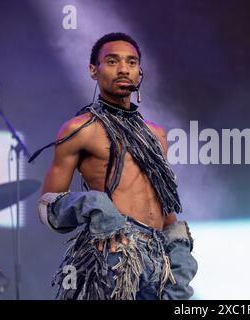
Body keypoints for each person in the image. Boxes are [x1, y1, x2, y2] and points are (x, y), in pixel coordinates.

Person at [29, 32, 197, 300]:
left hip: (157, 261)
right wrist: (93, 204)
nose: (123, 69)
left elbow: (163, 203)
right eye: (112, 61)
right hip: (112, 257)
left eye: (131, 62)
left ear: (139, 71)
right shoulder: (79, 129)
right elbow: (49, 208)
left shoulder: (156, 135)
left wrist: (179, 248)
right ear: (93, 71)